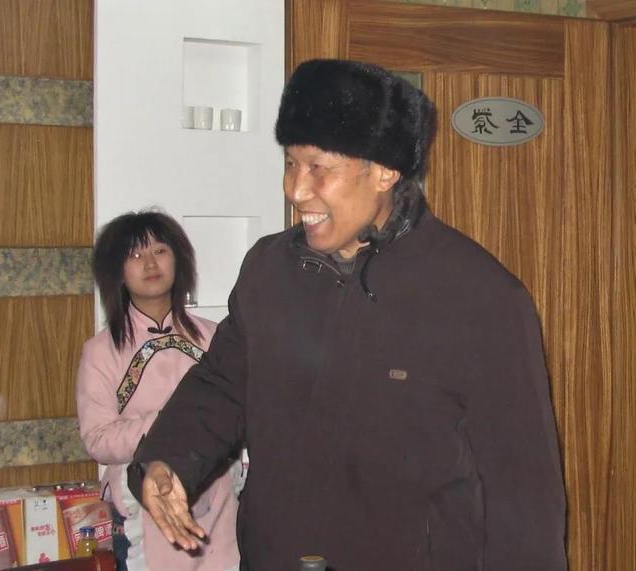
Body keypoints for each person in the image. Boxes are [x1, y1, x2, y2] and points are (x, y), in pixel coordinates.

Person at [128, 60, 567, 570]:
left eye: (319, 167)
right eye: (291, 163)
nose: (296, 189)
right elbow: (222, 386)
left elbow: (523, 495)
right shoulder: (269, 270)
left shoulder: (478, 297)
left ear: (384, 170)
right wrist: (166, 459)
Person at [76, 210, 240, 571]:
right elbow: (98, 439)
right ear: (117, 271)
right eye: (135, 255)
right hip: (144, 501)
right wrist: (171, 424)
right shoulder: (101, 351)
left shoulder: (216, 337)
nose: (150, 263)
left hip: (218, 499)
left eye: (160, 251)